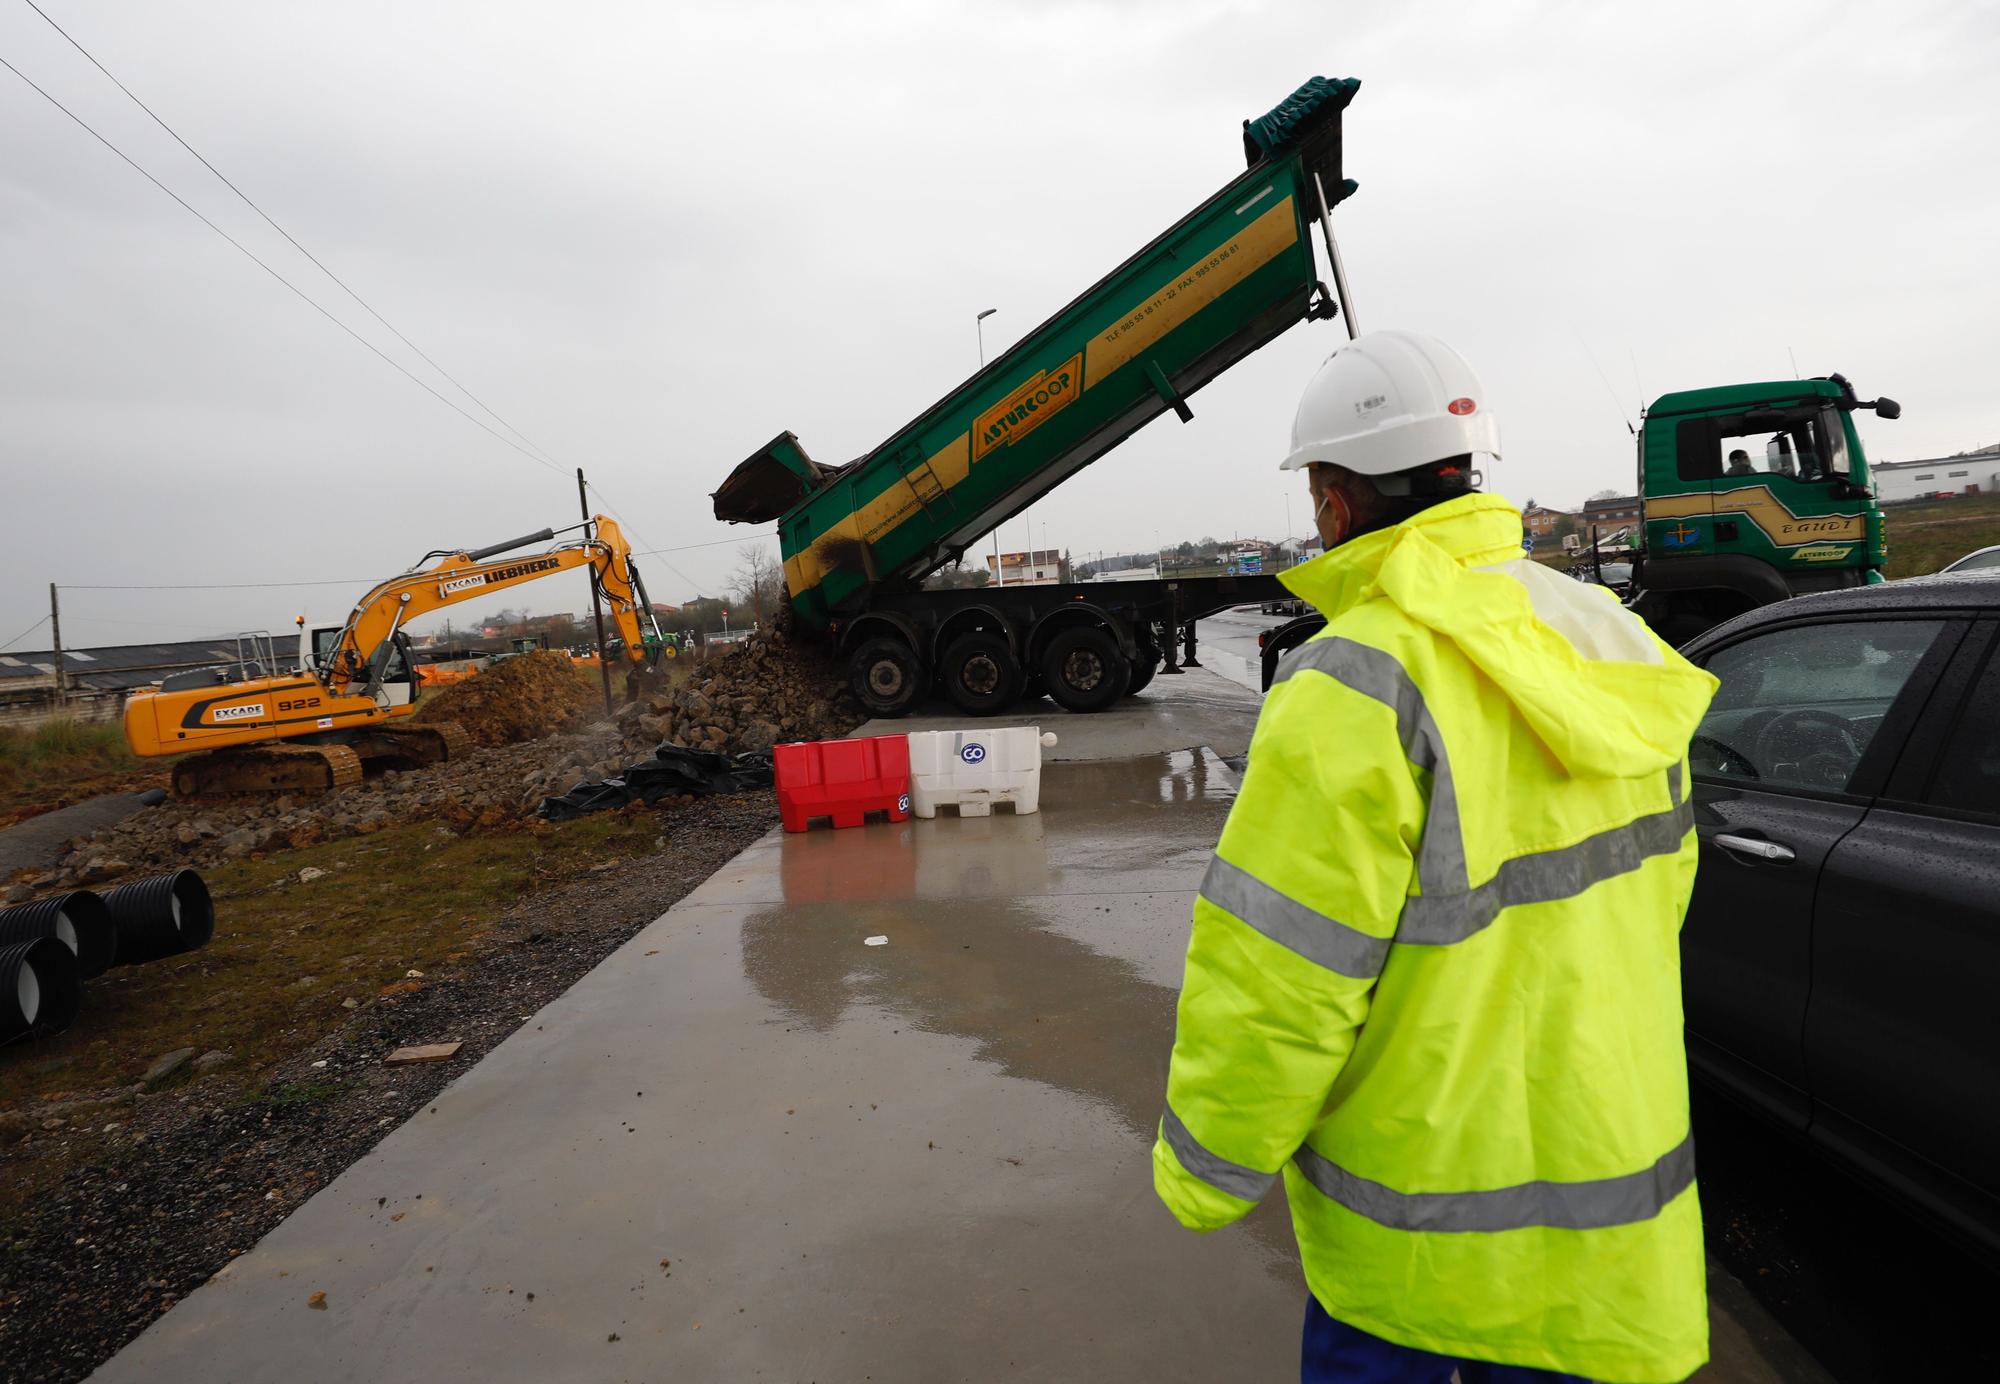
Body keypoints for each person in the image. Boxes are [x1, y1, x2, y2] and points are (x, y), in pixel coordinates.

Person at [1152, 330, 1717, 1384]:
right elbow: (1659, 892)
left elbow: (1278, 975)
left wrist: (1203, 1167)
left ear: (1332, 501)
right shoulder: (1609, 638)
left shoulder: (1353, 683)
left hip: (1410, 1257)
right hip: (1602, 1207)